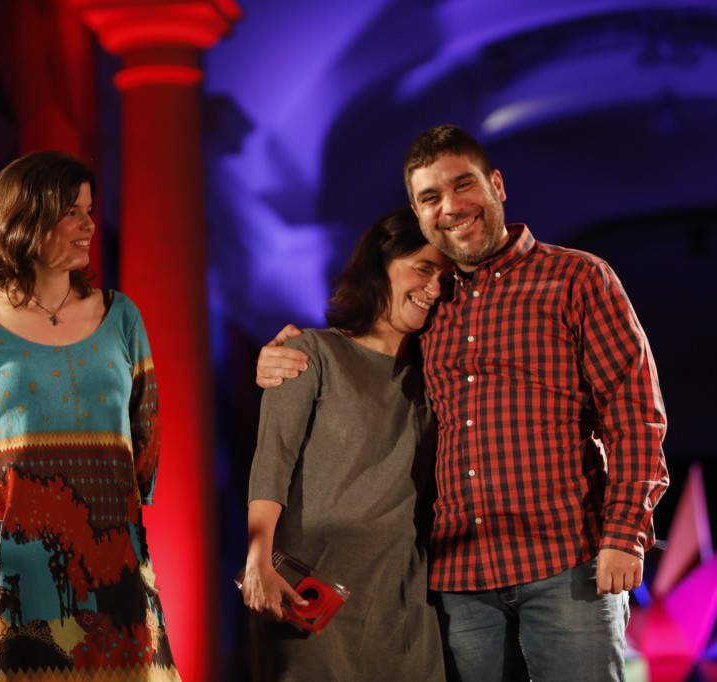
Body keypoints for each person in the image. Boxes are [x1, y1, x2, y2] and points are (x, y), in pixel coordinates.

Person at [256, 124, 669, 682]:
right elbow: (361, 356)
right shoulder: (432, 310)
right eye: (431, 198)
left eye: (463, 185)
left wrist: (625, 535)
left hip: (566, 563)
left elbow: (634, 415)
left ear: (496, 184)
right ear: (417, 212)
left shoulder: (576, 278)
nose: (451, 207)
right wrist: (280, 356)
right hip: (460, 579)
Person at [0, 151, 181, 681]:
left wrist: (104, 509)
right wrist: (7, 507)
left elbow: (146, 433)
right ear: (25, 219)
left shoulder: (122, 316)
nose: (89, 224)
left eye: (89, 209)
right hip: (16, 565)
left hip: (115, 558)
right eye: (71, 211)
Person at [241, 206, 450, 681]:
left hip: (403, 598)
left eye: (445, 279)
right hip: (309, 592)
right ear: (380, 263)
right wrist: (257, 557)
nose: (435, 289)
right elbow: (273, 458)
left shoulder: (437, 378)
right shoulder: (308, 353)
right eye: (423, 268)